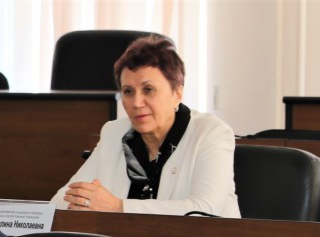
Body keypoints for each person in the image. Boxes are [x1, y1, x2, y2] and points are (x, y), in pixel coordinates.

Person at [51, 35, 240, 217]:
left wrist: (118, 207)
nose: (136, 103)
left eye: (148, 89)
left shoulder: (211, 133)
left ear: (177, 93)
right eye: (128, 91)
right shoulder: (114, 133)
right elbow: (61, 201)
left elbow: (204, 211)